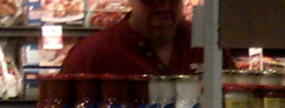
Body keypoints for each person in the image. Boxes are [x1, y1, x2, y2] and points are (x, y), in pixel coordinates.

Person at [59, 0, 203, 76]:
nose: (163, 7)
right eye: (152, 1)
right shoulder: (89, 54)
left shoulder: (208, 45)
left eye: (172, 0)